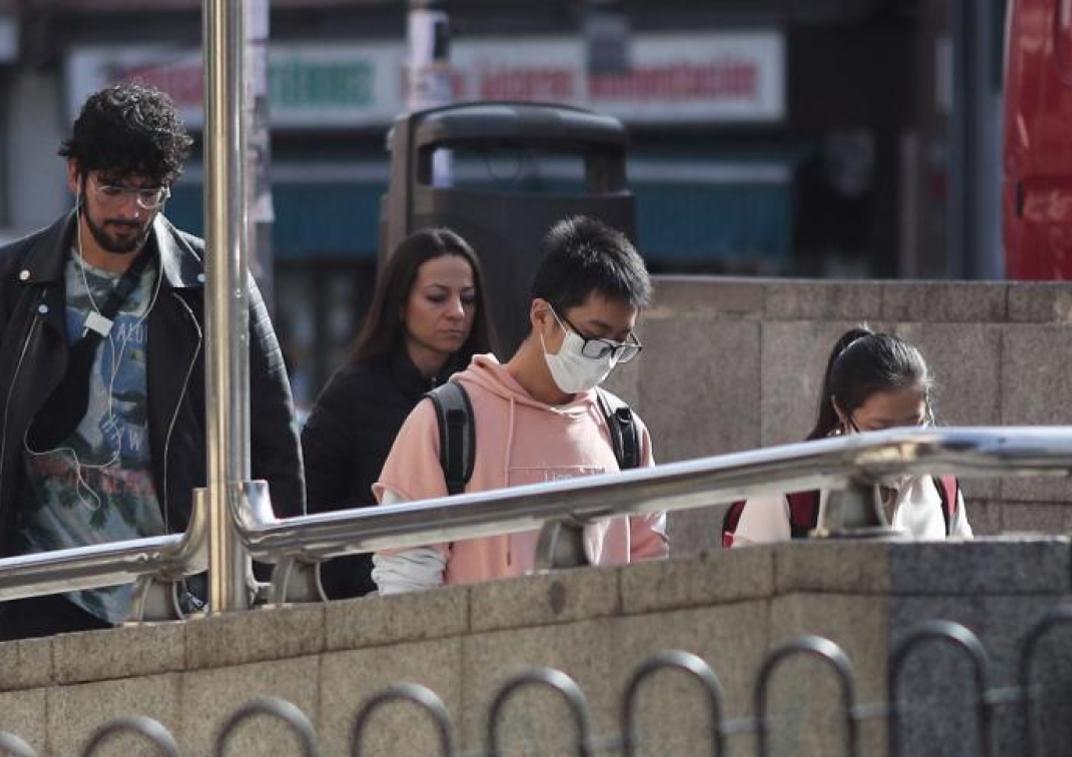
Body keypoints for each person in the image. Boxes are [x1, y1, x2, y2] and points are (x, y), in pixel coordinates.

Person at [0, 84, 304, 646]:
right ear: (75, 174)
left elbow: (273, 435)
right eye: (113, 188)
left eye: (150, 192)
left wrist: (278, 581)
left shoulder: (214, 281)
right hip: (41, 586)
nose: (132, 210)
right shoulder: (10, 281)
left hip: (180, 586)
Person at [370, 216, 668, 594]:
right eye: (593, 338)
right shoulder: (447, 421)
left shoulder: (624, 431)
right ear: (542, 315)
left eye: (619, 344)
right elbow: (406, 576)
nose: (605, 357)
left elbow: (648, 567)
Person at [302, 229, 495, 599]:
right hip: (374, 594)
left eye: (468, 299)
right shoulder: (353, 391)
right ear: (401, 305)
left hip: (474, 589)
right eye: (437, 297)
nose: (456, 312)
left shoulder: (489, 390)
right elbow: (309, 508)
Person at [724, 328, 972, 547]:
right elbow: (748, 586)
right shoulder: (786, 488)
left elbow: (968, 577)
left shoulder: (942, 484)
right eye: (880, 429)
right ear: (841, 411)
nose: (900, 445)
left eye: (915, 424)